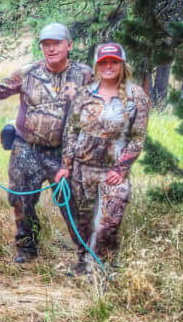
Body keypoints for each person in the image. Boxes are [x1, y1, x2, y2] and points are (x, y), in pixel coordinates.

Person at [0, 23, 93, 263]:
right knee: (20, 199)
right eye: (46, 45)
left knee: (72, 202)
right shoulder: (27, 73)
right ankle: (27, 248)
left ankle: (86, 254)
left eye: (56, 43)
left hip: (63, 153)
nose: (51, 49)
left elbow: (102, 100)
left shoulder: (84, 74)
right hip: (26, 148)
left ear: (69, 45)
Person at [54, 43, 149, 274]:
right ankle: (83, 263)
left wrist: (121, 169)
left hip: (112, 172)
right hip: (82, 169)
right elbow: (71, 131)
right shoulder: (85, 94)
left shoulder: (137, 96)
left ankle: (103, 266)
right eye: (103, 62)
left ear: (122, 64)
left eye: (113, 62)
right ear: (97, 65)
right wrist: (66, 166)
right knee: (82, 222)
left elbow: (137, 139)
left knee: (108, 223)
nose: (108, 66)